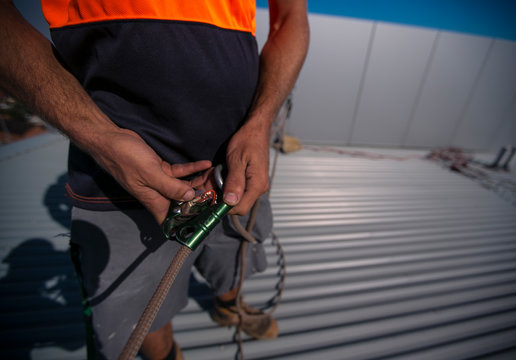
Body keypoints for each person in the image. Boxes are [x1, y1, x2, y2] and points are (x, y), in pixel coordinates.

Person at [0, 0, 309, 359]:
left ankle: (229, 305)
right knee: (141, 305)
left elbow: (291, 18)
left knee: (233, 253)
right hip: (119, 173)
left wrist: (260, 121)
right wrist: (100, 138)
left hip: (236, 156)